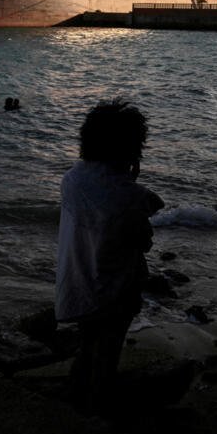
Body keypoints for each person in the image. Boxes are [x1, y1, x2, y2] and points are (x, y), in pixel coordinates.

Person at [55, 100, 163, 414]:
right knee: (108, 351)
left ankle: (77, 399)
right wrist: (132, 176)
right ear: (131, 148)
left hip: (79, 280)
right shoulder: (131, 197)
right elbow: (143, 242)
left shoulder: (72, 180)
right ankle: (97, 409)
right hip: (115, 290)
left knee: (88, 345)